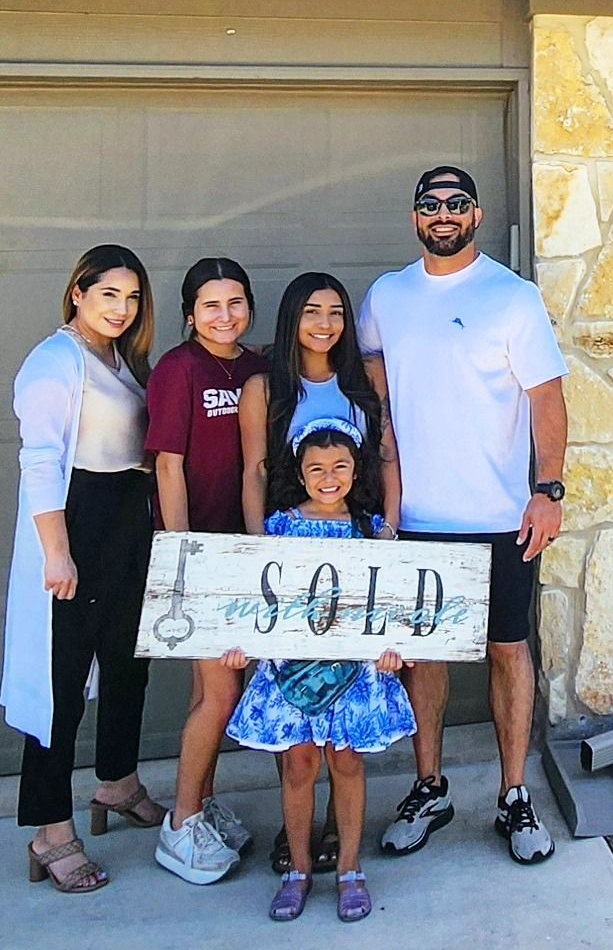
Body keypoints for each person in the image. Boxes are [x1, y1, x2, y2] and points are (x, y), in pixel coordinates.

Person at [358, 167, 568, 866]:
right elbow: (369, 357)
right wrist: (387, 419)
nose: (442, 213)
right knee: (424, 657)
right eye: (430, 204)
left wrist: (548, 490)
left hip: (501, 515)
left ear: (475, 215)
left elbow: (547, 399)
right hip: (418, 515)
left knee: (509, 649)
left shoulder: (511, 296)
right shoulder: (387, 295)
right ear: (415, 217)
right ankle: (430, 789)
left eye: (456, 203)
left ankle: (514, 794)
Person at [1, 244, 165, 894]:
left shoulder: (120, 360)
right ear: (78, 292)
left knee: (128, 664)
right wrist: (57, 551)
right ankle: (50, 830)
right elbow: (40, 460)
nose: (121, 309)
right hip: (77, 524)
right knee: (61, 684)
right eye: (108, 294)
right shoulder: (54, 360)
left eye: (132, 298)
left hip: (127, 522)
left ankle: (118, 783)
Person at [239, 271, 401, 875]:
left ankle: (339, 829)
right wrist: (259, 549)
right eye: (312, 312)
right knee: (294, 701)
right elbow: (255, 470)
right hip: (291, 547)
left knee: (348, 707)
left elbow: (388, 456)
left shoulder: (367, 378)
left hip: (359, 543)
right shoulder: (265, 386)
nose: (325, 324)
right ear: (292, 319)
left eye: (335, 312)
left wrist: (388, 531)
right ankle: (298, 835)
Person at [224, 418, 415, 923]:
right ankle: (298, 869)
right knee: (299, 766)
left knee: (347, 763)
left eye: (339, 467)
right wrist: (242, 644)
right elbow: (256, 597)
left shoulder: (372, 531)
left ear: (356, 470)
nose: (329, 478)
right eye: (316, 469)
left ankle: (350, 867)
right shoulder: (279, 528)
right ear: (300, 473)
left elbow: (389, 604)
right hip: (292, 670)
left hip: (354, 672)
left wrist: (392, 649)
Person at [146, 257, 267, 883]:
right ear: (190, 313)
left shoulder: (255, 368)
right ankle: (181, 823)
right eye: (211, 305)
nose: (225, 315)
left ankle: (203, 805)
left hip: (241, 550)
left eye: (236, 302)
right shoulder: (179, 368)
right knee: (220, 694)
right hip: (198, 555)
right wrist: (180, 554)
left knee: (213, 691)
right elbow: (168, 466)